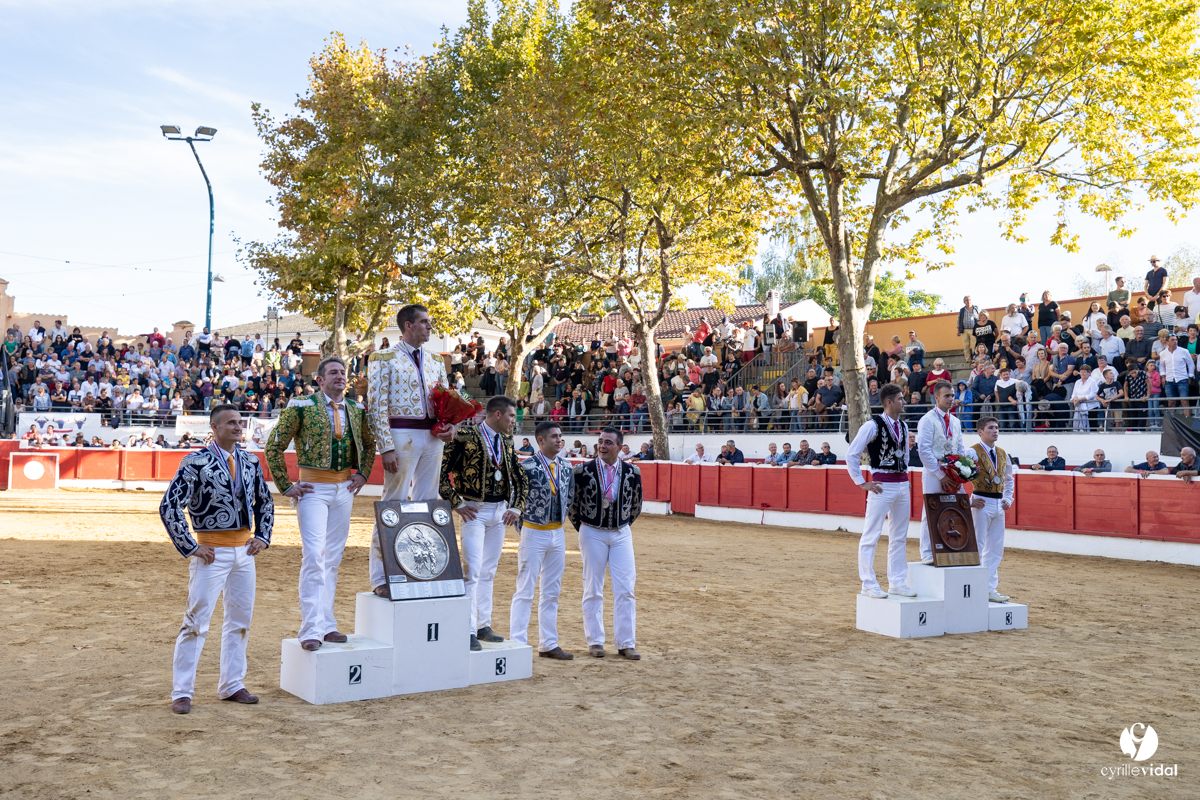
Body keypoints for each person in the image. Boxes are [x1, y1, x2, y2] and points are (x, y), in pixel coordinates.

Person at [159, 404, 274, 715]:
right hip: (210, 553)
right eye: (231, 423)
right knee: (196, 623)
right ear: (214, 427)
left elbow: (264, 501)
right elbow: (169, 507)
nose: (238, 427)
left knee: (240, 621)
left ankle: (232, 684)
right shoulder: (195, 462)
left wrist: (262, 536)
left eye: (240, 422)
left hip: (244, 554)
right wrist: (191, 546)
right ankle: (182, 691)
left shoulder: (249, 460)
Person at [265, 355, 374, 650]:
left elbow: (369, 444)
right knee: (315, 556)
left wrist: (363, 474)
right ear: (320, 380)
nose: (341, 377)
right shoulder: (302, 406)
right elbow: (274, 444)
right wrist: (285, 485)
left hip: (343, 490)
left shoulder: (356, 409)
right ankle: (310, 628)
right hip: (312, 490)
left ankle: (327, 625)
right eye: (334, 373)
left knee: (333, 559)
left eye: (343, 372)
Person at [366, 304, 455, 597]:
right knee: (393, 502)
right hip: (400, 433)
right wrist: (386, 446)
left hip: (432, 435)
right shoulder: (383, 357)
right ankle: (380, 576)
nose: (430, 327)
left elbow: (446, 400)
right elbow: (376, 404)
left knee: (428, 501)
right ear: (408, 325)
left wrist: (450, 425)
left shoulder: (435, 360)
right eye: (424, 322)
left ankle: (424, 569)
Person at [440, 395, 529, 651]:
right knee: (473, 571)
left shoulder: (508, 441)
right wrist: (456, 502)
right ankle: (466, 629)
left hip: (499, 512)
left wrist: (516, 507)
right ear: (498, 415)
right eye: (512, 416)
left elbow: (520, 477)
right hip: (474, 511)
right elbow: (441, 471)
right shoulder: (465, 436)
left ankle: (483, 626)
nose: (514, 421)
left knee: (488, 572)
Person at [569, 427, 643, 660]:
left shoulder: (632, 471)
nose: (602, 446)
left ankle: (626, 643)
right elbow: (573, 505)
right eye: (600, 441)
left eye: (608, 442)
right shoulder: (582, 470)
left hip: (621, 532)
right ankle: (595, 641)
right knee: (592, 587)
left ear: (620, 448)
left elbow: (636, 505)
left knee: (626, 588)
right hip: (592, 532)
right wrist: (585, 527)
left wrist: (622, 523)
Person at [510, 421, 576, 660]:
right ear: (541, 440)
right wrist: (526, 529)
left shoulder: (567, 467)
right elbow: (515, 499)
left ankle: (548, 643)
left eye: (560, 436)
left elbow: (570, 497)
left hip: (558, 533)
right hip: (533, 531)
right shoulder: (526, 467)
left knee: (552, 590)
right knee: (525, 589)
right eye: (554, 437)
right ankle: (517, 642)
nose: (559, 440)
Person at [846, 383, 914, 599]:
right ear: (889, 402)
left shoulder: (903, 426)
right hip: (881, 485)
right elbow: (852, 454)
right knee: (871, 534)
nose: (904, 402)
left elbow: (904, 456)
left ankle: (897, 582)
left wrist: (905, 478)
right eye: (901, 399)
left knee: (899, 536)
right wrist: (861, 482)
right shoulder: (872, 425)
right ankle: (868, 583)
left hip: (902, 484)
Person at [917, 380, 966, 565]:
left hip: (952, 471)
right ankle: (927, 552)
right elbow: (924, 450)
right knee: (930, 509)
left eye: (952, 395)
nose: (951, 399)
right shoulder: (928, 419)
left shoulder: (955, 421)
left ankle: (957, 545)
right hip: (934, 471)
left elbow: (959, 448)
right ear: (936, 398)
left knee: (959, 506)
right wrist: (940, 474)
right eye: (947, 396)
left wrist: (959, 473)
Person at [968, 417, 1015, 603]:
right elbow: (959, 474)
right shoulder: (972, 452)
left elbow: (1009, 479)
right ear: (980, 431)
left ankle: (989, 588)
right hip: (981, 502)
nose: (995, 431)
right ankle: (971, 586)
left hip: (998, 504)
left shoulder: (1003, 453)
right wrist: (970, 500)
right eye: (990, 428)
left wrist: (1008, 498)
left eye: (997, 427)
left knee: (995, 549)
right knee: (978, 546)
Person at [957, 296, 980, 364]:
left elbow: (980, 317)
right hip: (964, 330)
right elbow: (959, 320)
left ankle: (974, 359)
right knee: (966, 345)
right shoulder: (962, 310)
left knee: (974, 345)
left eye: (969, 299)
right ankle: (968, 360)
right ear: (964, 302)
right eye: (966, 300)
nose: (968, 301)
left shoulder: (976, 308)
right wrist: (958, 330)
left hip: (974, 329)